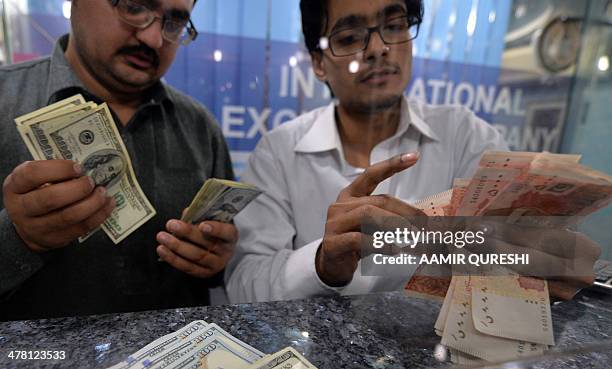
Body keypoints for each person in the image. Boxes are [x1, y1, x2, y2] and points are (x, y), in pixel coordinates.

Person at [225, 0, 600, 303]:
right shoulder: (278, 151)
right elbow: (244, 282)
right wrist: (321, 263)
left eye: (394, 25)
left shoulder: (465, 135)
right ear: (319, 63)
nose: (378, 48)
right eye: (350, 36)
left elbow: (529, 254)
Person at [0, 0, 237, 320]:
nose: (153, 39)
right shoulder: (5, 99)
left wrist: (217, 260)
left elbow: (222, 259)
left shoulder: (201, 127)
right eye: (134, 6)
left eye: (175, 22)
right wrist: (17, 238)